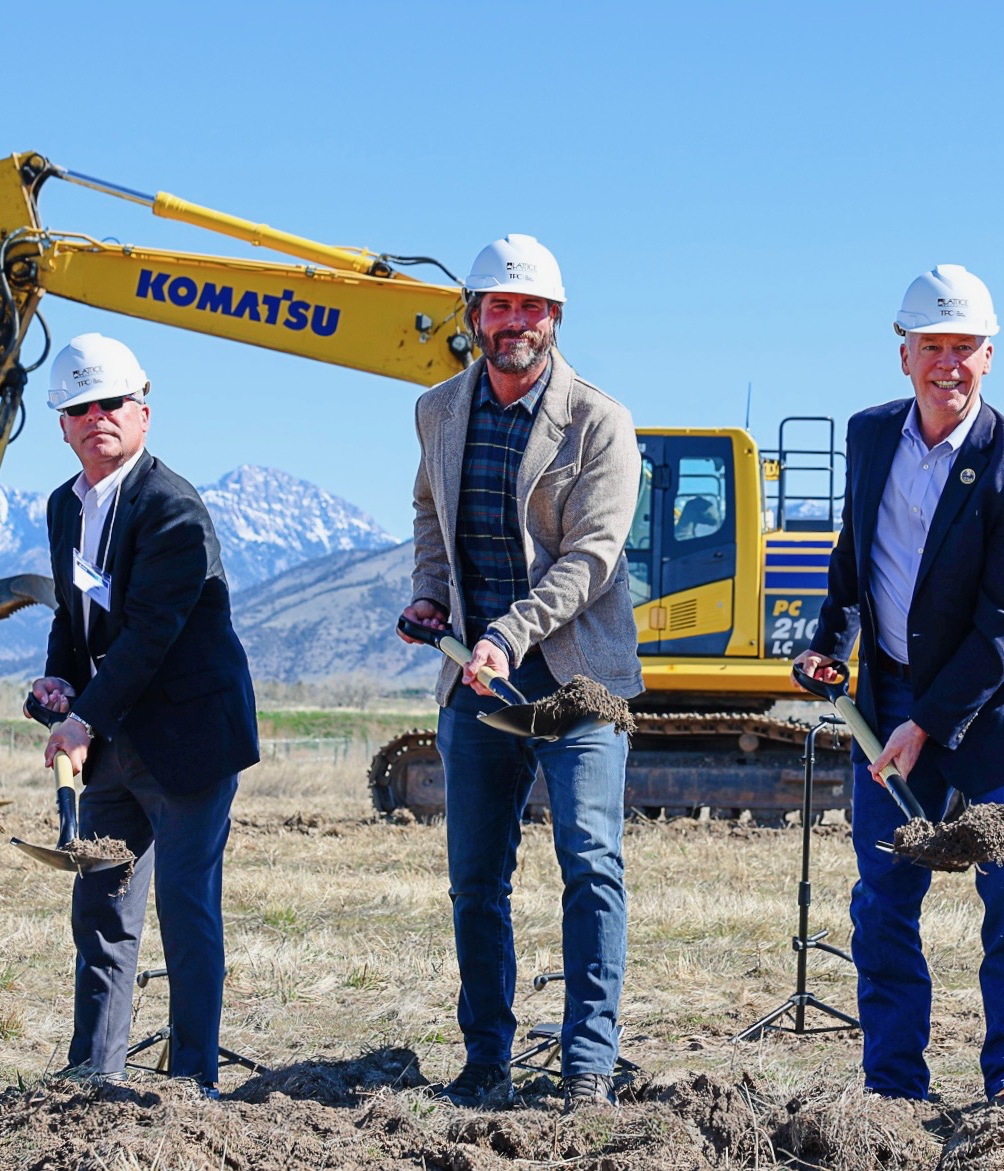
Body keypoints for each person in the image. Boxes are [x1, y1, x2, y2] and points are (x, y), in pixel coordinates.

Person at [794, 266, 1004, 1108]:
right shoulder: (870, 435)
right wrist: (828, 642)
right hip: (890, 698)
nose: (946, 364)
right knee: (882, 896)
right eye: (931, 347)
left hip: (994, 710)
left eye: (963, 349)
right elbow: (852, 555)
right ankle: (893, 1088)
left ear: (989, 356)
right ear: (903, 351)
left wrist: (928, 726)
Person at [400, 235, 642, 1113]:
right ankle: (485, 1060)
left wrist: (507, 630)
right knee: (474, 878)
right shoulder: (437, 411)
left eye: (532, 308)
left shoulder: (598, 420)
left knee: (590, 866)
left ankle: (586, 1066)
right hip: (480, 685)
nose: (516, 323)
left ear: (556, 319)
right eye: (499, 306)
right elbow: (430, 509)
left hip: (577, 682)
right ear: (474, 317)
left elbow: (591, 559)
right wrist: (432, 598)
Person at [29, 333, 259, 1092]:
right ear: (61, 423)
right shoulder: (67, 505)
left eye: (111, 404)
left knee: (185, 906)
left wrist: (82, 718)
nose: (96, 417)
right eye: (79, 407)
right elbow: (77, 613)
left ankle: (194, 1083)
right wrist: (61, 682)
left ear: (144, 414)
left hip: (188, 739)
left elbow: (151, 634)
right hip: (113, 739)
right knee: (101, 905)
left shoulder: (173, 508)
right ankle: (91, 1072)